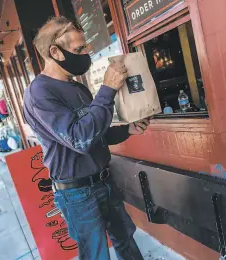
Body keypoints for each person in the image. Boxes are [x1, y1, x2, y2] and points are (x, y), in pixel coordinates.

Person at [23, 17, 148, 260]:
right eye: (78, 49)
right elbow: (80, 139)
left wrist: (127, 130)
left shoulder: (77, 88)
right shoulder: (40, 94)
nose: (85, 53)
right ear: (54, 52)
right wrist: (108, 89)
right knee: (96, 255)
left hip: (104, 181)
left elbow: (95, 131)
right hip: (76, 193)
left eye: (85, 47)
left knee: (126, 240)